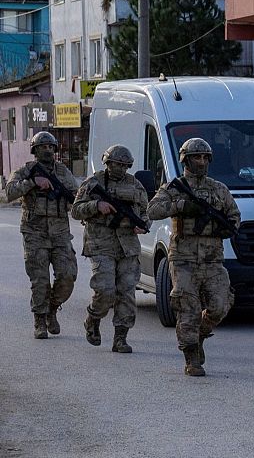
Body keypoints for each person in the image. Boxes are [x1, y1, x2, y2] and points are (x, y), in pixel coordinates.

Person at [147, 137, 240, 376]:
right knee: (187, 307)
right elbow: (153, 210)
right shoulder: (174, 187)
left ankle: (198, 334)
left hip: (212, 259)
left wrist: (224, 227)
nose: (201, 161)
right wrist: (180, 206)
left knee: (220, 305)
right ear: (185, 160)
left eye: (205, 157)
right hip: (183, 259)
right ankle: (191, 357)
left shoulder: (219, 189)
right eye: (196, 157)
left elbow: (234, 216)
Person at [72, 145, 149, 353]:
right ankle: (93, 319)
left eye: (125, 165)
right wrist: (96, 206)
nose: (121, 169)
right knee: (105, 290)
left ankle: (121, 338)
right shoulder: (93, 183)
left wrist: (142, 224)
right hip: (100, 244)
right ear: (108, 163)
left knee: (127, 292)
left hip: (128, 246)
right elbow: (76, 211)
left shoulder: (136, 185)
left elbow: (145, 212)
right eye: (116, 164)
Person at [5, 131, 80, 339]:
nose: (47, 150)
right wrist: (32, 183)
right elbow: (9, 192)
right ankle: (40, 319)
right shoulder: (26, 171)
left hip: (60, 233)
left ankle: (52, 309)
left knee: (67, 276)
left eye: (50, 147)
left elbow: (76, 196)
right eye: (42, 147)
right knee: (39, 281)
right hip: (34, 233)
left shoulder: (63, 172)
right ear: (35, 150)